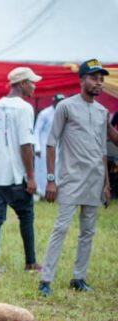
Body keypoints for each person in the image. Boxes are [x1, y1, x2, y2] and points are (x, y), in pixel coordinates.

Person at [38, 60, 111, 296]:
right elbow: (51, 143)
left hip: (95, 179)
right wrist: (50, 179)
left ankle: (78, 278)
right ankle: (46, 280)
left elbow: (102, 150)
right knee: (61, 227)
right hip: (70, 178)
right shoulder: (66, 107)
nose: (98, 83)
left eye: (101, 79)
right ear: (81, 80)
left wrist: (107, 184)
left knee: (88, 231)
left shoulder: (102, 112)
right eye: (93, 78)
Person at [0, 67, 41, 274]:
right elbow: (26, 145)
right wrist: (31, 176)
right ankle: (30, 262)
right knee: (26, 216)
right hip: (16, 174)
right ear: (22, 83)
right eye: (31, 82)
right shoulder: (24, 108)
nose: (34, 86)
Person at [33, 93, 65, 196]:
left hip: (59, 147)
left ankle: (56, 192)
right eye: (58, 102)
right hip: (44, 147)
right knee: (43, 171)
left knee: (58, 170)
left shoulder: (65, 113)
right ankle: (42, 193)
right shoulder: (45, 113)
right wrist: (37, 148)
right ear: (53, 102)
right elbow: (37, 131)